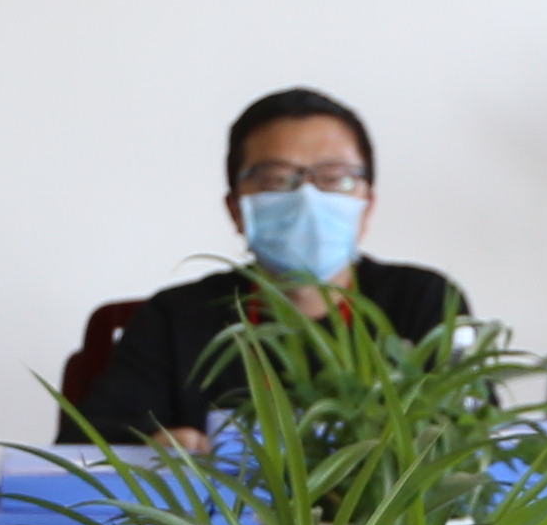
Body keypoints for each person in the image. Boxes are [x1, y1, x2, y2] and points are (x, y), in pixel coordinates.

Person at [68, 90, 473, 447]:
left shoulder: (427, 301)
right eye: (276, 180)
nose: (307, 199)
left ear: (367, 206)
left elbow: (473, 436)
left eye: (334, 179)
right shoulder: (174, 317)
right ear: (236, 209)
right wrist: (156, 447)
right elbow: (89, 445)